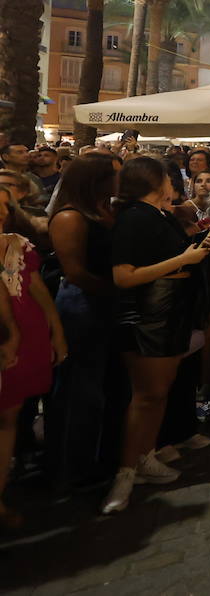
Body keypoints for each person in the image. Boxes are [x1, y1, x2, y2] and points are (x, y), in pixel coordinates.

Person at [103, 157, 210, 513]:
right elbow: (123, 276)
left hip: (171, 309)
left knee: (158, 393)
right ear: (156, 182)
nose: (174, 184)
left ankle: (145, 456)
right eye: (169, 178)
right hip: (150, 313)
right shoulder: (134, 217)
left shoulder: (160, 214)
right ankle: (126, 469)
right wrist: (186, 259)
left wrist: (195, 244)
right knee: (147, 395)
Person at [44, 155, 120, 491]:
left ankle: (92, 458)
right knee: (78, 389)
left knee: (96, 387)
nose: (120, 180)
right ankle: (69, 467)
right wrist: (117, 289)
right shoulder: (70, 216)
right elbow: (74, 271)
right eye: (115, 175)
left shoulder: (103, 210)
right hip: (82, 307)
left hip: (103, 304)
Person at [0, 186, 65, 528]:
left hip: (28, 338)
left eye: (3, 207)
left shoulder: (17, 244)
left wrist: (57, 330)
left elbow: (37, 289)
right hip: (7, 341)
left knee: (9, 419)